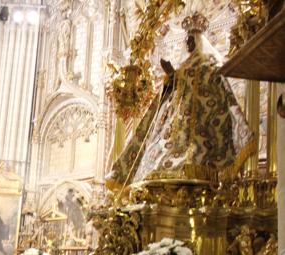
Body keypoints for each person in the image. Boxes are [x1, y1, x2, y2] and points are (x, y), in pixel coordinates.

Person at [106, 11, 255, 191]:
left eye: (191, 41)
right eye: (187, 42)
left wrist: (178, 77)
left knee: (195, 161)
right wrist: (171, 78)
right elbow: (174, 94)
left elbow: (220, 98)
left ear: (199, 40)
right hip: (177, 131)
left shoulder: (212, 66)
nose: (188, 45)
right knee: (155, 160)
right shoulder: (184, 69)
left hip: (203, 131)